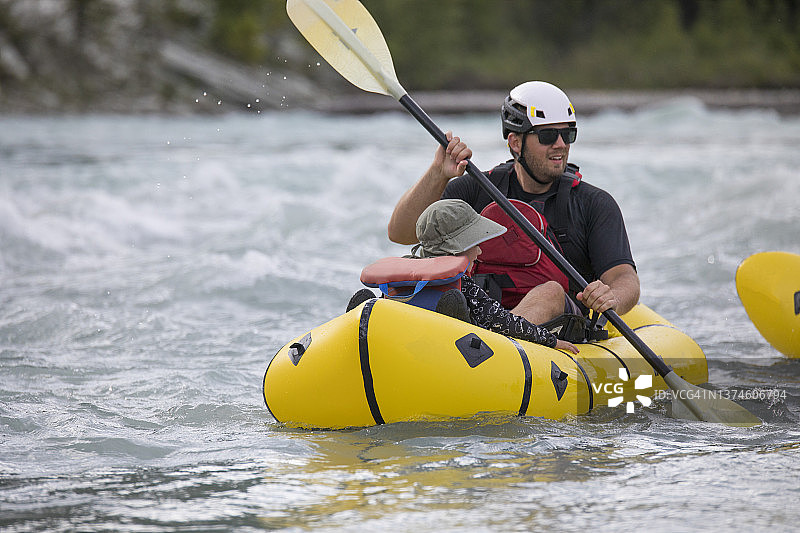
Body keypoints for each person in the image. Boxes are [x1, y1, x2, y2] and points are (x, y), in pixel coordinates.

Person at [387, 81, 640, 331]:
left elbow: (623, 277)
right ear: (515, 142)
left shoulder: (593, 204)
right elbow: (402, 234)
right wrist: (438, 174)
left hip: (555, 329)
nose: (561, 144)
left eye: (568, 134)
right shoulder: (476, 189)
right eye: (548, 135)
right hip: (479, 316)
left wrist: (613, 297)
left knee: (551, 291)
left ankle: (490, 338)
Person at [352, 199, 579, 354]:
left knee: (384, 310)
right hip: (459, 350)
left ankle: (363, 318)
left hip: (411, 342)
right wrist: (548, 339)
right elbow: (500, 320)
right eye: (475, 244)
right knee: (473, 322)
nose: (480, 251)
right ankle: (454, 323)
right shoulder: (462, 284)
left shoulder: (403, 275)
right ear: (457, 248)